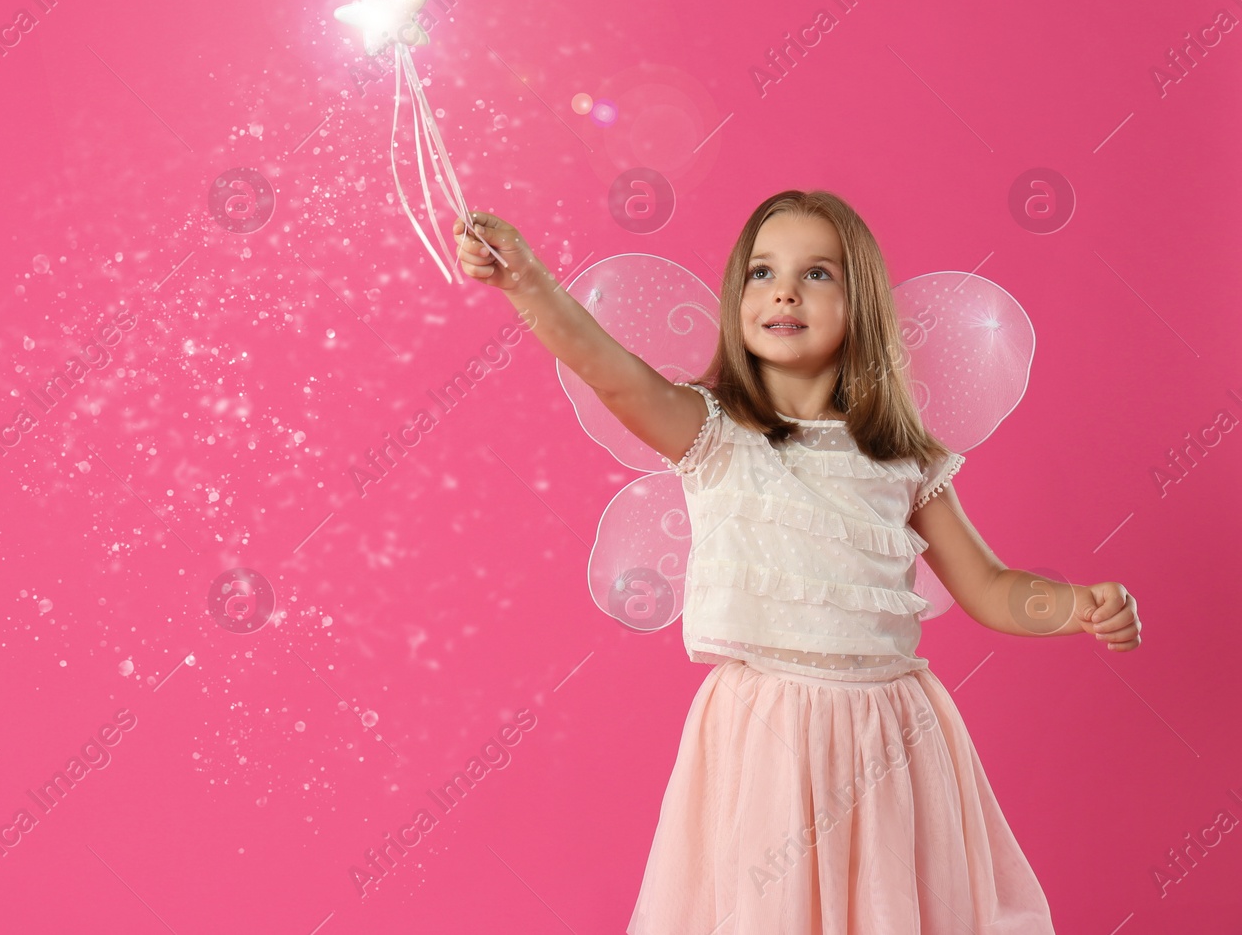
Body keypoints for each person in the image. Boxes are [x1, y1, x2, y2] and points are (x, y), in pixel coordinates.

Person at [452, 191, 1141, 934]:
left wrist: (1073, 605)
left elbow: (990, 586)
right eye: (761, 272)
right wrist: (526, 282)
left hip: (890, 738)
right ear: (736, 298)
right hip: (765, 739)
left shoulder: (901, 459)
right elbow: (612, 372)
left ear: (862, 304)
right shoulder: (710, 434)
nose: (783, 289)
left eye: (817, 273)